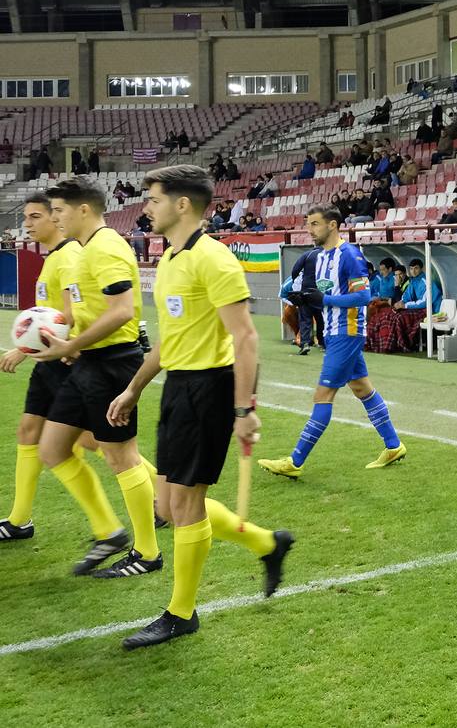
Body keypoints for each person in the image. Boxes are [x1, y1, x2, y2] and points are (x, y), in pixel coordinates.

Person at [105, 165, 292, 649]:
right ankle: (267, 543)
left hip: (211, 389)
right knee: (167, 505)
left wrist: (244, 409)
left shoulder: (215, 259)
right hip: (177, 387)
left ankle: (180, 612)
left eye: (154, 199)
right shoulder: (169, 259)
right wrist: (133, 389)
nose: (147, 206)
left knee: (184, 507)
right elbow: (169, 342)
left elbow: (246, 338)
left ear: (181, 204)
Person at [32, 178, 161, 577]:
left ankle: (148, 552)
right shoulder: (84, 251)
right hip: (87, 362)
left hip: (114, 362)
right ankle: (113, 531)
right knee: (52, 448)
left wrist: (70, 346)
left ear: (83, 210)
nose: (55, 218)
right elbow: (88, 311)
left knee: (120, 457)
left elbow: (122, 311)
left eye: (59, 211)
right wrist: (68, 341)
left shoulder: (105, 247)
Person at [258, 206, 407, 477]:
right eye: (308, 223)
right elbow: (325, 294)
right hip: (335, 332)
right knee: (362, 389)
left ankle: (295, 461)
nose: (309, 229)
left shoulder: (349, 255)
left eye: (315, 224)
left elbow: (364, 297)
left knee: (322, 395)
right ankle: (393, 445)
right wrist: (305, 299)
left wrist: (324, 300)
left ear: (333, 225)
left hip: (346, 333)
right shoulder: (321, 257)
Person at [0, 193, 84, 542]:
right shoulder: (53, 258)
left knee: (101, 444)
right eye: (26, 217)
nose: (28, 224)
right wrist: (26, 348)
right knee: (28, 430)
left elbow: (72, 317)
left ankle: (158, 498)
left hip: (66, 361)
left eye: (35, 217)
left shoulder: (69, 258)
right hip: (48, 361)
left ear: (56, 219)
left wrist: (26, 348)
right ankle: (19, 520)